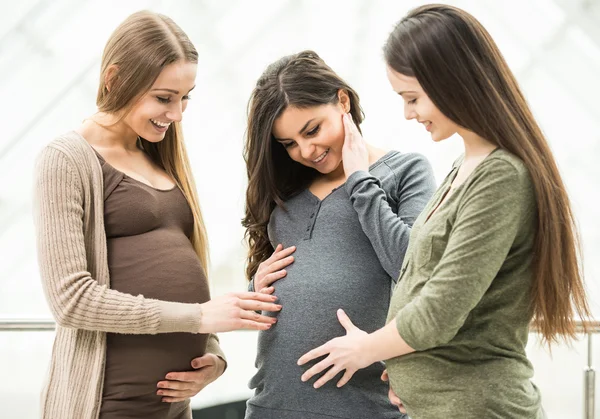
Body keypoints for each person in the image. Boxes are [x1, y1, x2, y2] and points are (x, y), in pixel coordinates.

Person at [297, 5, 592, 419]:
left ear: (451, 81)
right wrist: (411, 375)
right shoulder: (461, 167)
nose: (407, 113)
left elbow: (439, 309)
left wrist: (365, 349)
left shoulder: (500, 177)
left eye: (412, 97)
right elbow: (423, 284)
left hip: (478, 407)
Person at [33, 11, 281, 419]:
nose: (178, 113)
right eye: (164, 98)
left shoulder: (162, 158)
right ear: (114, 80)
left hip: (171, 408)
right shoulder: (66, 160)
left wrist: (212, 356)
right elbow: (71, 299)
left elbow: (183, 279)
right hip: (106, 404)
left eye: (186, 97)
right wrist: (199, 318)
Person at [242, 50, 436, 419]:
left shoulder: (406, 170)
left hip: (365, 407)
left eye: (312, 130)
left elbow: (413, 267)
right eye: (289, 144)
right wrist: (256, 287)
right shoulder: (287, 192)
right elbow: (285, 292)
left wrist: (360, 179)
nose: (305, 151)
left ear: (342, 100)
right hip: (271, 406)